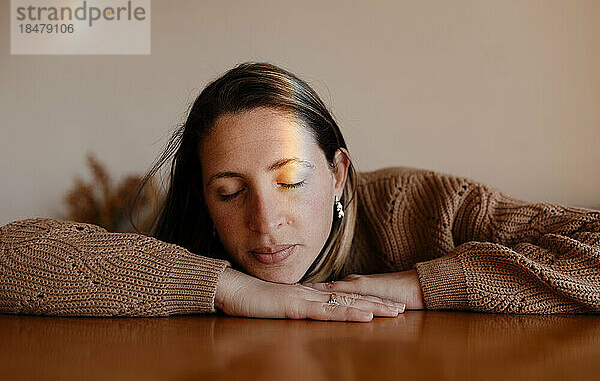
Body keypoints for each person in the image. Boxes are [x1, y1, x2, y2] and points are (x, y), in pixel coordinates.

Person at [1, 62, 599, 321]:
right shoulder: (192, 247)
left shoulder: (417, 208)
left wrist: (425, 284)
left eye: (290, 179)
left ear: (339, 173)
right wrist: (226, 288)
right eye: (230, 192)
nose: (266, 221)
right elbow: (11, 259)